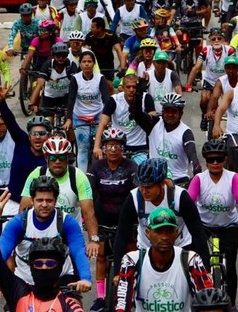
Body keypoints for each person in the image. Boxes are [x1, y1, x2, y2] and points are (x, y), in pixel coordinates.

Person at [0, 190, 86, 312]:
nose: (44, 268)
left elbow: (79, 251)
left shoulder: (70, 306)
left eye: (50, 264)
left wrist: (85, 278)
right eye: (38, 263)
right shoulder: (18, 292)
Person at [112, 158, 211, 277]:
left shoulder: (180, 197)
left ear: (162, 183)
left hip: (179, 248)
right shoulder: (133, 198)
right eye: (141, 186)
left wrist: (206, 270)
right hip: (147, 249)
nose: (144, 191)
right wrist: (117, 273)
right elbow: (122, 235)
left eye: (149, 186)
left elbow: (198, 233)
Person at [188, 139, 238, 301]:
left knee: (231, 267)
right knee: (197, 264)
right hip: (203, 226)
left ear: (225, 159)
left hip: (228, 225)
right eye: (211, 159)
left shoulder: (232, 178)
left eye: (219, 159)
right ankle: (196, 298)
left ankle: (231, 303)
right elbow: (189, 201)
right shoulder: (199, 179)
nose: (215, 163)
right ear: (206, 161)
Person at [115, 207, 214, 312]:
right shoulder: (132, 260)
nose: (164, 237)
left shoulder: (191, 260)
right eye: (158, 231)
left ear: (176, 232)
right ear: (148, 232)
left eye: (169, 231)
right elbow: (122, 303)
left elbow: (207, 299)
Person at [87, 127, 138, 312]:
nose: (113, 150)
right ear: (104, 148)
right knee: (100, 256)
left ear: (123, 148)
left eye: (117, 146)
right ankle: (101, 298)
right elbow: (89, 194)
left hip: (126, 219)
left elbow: (137, 192)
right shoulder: (96, 167)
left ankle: (130, 293)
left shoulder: (131, 166)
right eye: (110, 146)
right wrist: (88, 218)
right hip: (103, 219)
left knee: (130, 257)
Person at [19, 137, 99, 240]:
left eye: (61, 157)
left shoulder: (78, 176)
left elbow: (88, 213)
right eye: (53, 158)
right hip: (41, 235)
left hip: (70, 234)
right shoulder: (37, 174)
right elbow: (23, 210)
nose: (57, 161)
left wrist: (93, 239)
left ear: (67, 159)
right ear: (46, 159)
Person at [132, 93, 201, 187]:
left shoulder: (186, 132)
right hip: (154, 179)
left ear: (181, 114)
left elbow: (191, 153)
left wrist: (196, 169)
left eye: (174, 112)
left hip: (178, 180)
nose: (170, 115)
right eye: (167, 111)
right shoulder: (154, 123)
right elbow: (136, 114)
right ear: (163, 112)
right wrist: (138, 94)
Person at [64, 50, 111, 172]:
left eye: (89, 61)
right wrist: (69, 119)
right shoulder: (75, 79)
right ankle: (83, 176)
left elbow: (106, 98)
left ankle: (98, 174)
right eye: (84, 61)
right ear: (80, 64)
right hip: (80, 117)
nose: (86, 64)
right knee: (83, 148)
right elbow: (71, 100)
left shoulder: (100, 78)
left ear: (94, 64)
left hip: (97, 116)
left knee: (99, 146)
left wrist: (109, 117)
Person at [94, 74, 155, 163]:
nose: (131, 90)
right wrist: (96, 147)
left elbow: (153, 123)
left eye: (134, 87)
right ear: (123, 88)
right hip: (119, 146)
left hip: (140, 147)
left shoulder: (146, 98)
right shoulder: (114, 100)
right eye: (128, 87)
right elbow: (102, 124)